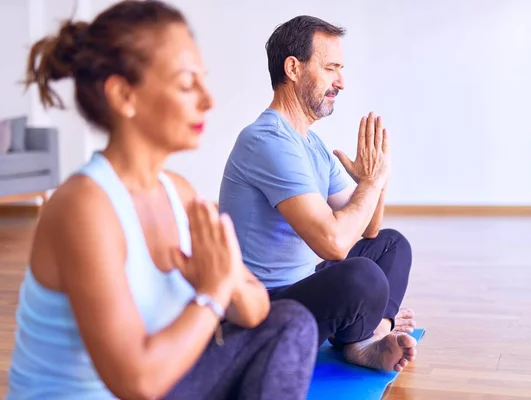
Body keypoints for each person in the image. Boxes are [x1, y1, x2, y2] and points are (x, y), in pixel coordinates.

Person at [7, 2, 318, 399]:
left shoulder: (179, 193)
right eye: (188, 83)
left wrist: (226, 283)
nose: (208, 100)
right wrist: (212, 293)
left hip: (161, 383)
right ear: (123, 95)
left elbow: (256, 307)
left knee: (290, 321)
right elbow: (136, 382)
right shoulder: (83, 207)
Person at [219, 15, 417, 372]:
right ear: (293, 68)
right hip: (260, 307)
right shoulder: (268, 141)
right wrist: (369, 185)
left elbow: (366, 231)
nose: (341, 82)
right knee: (364, 277)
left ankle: (371, 334)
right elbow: (334, 244)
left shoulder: (310, 144)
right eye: (330, 68)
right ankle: (364, 336)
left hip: (302, 284)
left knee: (391, 244)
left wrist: (377, 181)